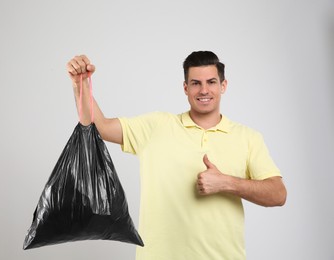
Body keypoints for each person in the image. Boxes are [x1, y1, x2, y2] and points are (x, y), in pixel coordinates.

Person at [66, 51, 287, 260]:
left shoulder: (248, 137)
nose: (203, 90)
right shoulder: (157, 125)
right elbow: (100, 127)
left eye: (211, 82)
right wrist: (80, 84)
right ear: (185, 87)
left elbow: (278, 194)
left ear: (223, 86)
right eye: (195, 83)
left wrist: (226, 183)